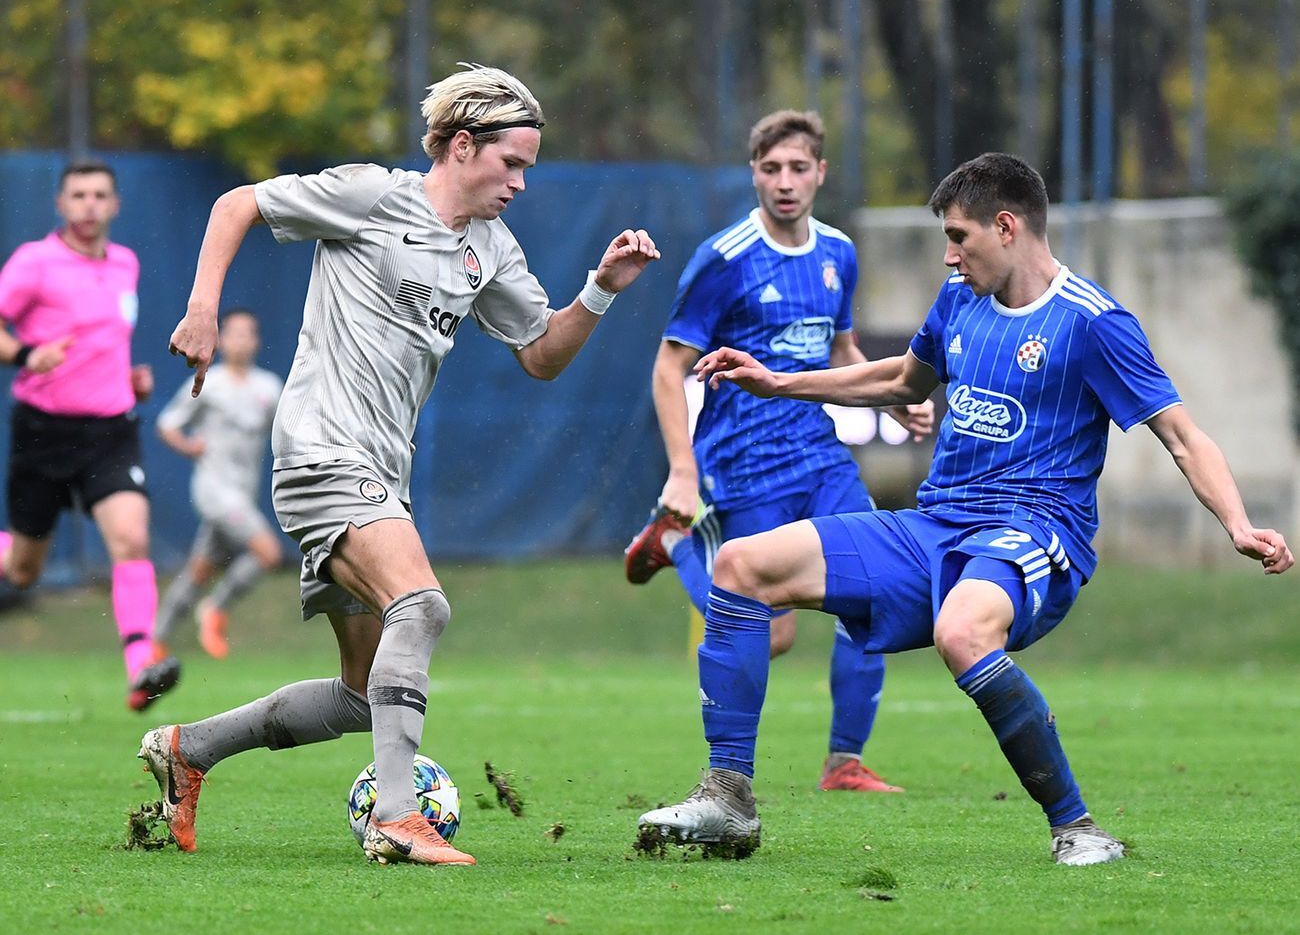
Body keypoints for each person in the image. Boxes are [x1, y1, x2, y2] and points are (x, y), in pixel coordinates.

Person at [638, 152, 1293, 866]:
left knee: (962, 629)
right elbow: (899, 379)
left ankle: (1076, 827)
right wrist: (778, 381)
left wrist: (1237, 523)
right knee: (739, 562)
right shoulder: (959, 300)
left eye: (959, 237)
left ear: (1006, 226)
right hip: (935, 525)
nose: (949, 255)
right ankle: (727, 800)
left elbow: (1184, 437)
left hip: (1034, 531)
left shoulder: (1094, 323)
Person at [139, 63, 660, 867]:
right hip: (320, 448)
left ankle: (189, 748)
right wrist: (203, 306)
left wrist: (599, 289)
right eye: (510, 163)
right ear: (460, 144)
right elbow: (235, 202)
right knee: (422, 603)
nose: (519, 183)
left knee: (359, 693)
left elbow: (543, 355)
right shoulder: (373, 195)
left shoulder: (491, 248)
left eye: (528, 167)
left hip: (383, 470)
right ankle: (394, 815)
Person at [624, 110, 932, 792]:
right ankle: (676, 544)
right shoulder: (725, 258)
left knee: (876, 594)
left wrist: (895, 395)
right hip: (744, 463)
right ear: (754, 174)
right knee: (768, 633)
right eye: (771, 169)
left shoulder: (838, 253)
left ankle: (843, 761)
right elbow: (667, 367)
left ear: (820, 172)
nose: (785, 183)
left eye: (798, 168)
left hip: (820, 457)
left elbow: (844, 354)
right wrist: (683, 469)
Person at [0, 160, 179, 712]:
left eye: (100, 195)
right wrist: (29, 354)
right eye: (78, 195)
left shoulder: (125, 264)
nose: (90, 205)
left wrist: (126, 380)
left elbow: (103, 343)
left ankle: (141, 663)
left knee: (130, 538)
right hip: (43, 432)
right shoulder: (35, 263)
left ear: (116, 205)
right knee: (24, 571)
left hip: (110, 429)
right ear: (60, 204)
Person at [154, 308, 284, 659]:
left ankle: (156, 641)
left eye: (248, 333)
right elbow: (167, 424)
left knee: (200, 570)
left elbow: (287, 431)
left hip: (241, 493)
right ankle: (214, 609)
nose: (241, 339)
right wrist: (188, 446)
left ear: (256, 341)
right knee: (268, 553)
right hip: (213, 490)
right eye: (234, 332)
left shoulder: (269, 387)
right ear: (222, 339)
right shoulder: (208, 382)